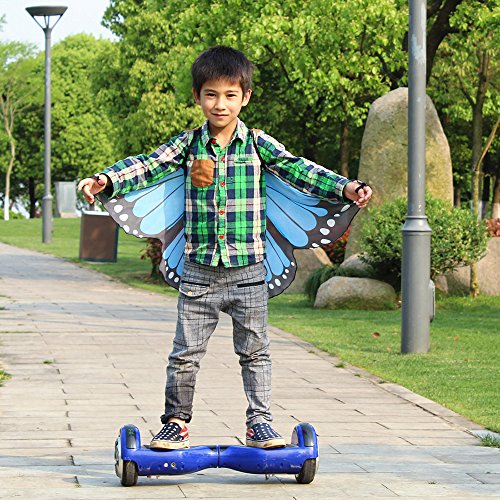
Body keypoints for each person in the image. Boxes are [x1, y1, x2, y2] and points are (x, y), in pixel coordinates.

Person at [78, 46, 372, 450]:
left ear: (245, 97)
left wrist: (345, 186)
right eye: (211, 94)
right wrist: (106, 180)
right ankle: (176, 423)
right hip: (198, 272)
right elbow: (148, 164)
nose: (221, 104)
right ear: (197, 96)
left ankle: (260, 423)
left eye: (230, 95)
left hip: (249, 271)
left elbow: (299, 168)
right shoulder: (187, 146)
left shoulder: (258, 144)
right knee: (185, 353)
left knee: (255, 352)